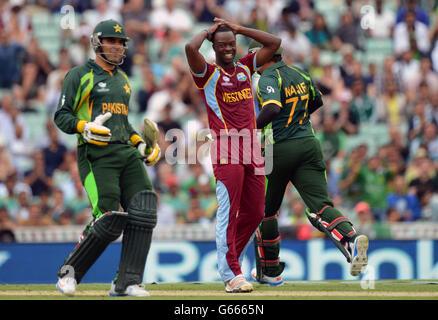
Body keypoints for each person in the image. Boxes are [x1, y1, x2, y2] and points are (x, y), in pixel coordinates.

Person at [247, 40, 369, 286]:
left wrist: (247, 129)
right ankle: (350, 238)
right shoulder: (300, 73)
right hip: (309, 144)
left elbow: (270, 109)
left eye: (252, 56)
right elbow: (317, 101)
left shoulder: (267, 78)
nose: (251, 63)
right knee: (320, 206)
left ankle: (270, 270)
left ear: (262, 55)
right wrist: (296, 121)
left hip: (276, 148)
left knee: (264, 212)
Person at [53, 20, 161, 297]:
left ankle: (126, 282)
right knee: (108, 216)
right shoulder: (79, 75)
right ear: (97, 42)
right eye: (111, 40)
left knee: (144, 210)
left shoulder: (124, 80)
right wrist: (85, 127)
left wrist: (141, 145)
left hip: (125, 153)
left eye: (121, 42)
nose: (117, 46)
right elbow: (61, 116)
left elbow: (124, 125)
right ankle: (69, 273)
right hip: (95, 154)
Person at [185, 17, 281, 293]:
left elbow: (274, 43)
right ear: (213, 47)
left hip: (252, 146)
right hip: (227, 148)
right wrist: (207, 32)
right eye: (222, 45)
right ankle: (230, 274)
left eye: (232, 44)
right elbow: (190, 49)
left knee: (255, 212)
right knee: (229, 212)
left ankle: (230, 264)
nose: (228, 48)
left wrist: (238, 28)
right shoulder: (208, 74)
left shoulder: (245, 66)